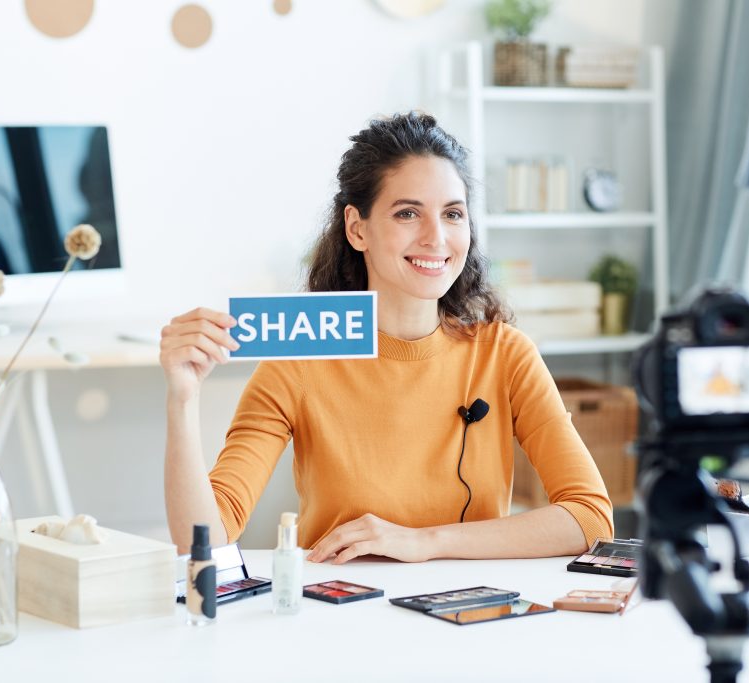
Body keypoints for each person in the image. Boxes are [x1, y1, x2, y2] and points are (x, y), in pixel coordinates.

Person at [161, 112, 613, 563]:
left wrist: (424, 542)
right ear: (358, 228)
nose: (436, 237)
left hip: (468, 614)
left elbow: (590, 517)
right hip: (344, 613)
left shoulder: (505, 354)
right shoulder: (299, 358)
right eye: (408, 213)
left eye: (452, 214)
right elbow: (205, 538)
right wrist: (182, 399)